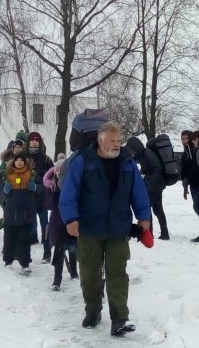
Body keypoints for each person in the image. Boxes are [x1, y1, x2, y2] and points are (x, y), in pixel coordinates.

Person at [59, 121, 152, 337]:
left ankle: (120, 318)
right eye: (112, 141)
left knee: (117, 273)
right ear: (101, 141)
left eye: (119, 140)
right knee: (90, 274)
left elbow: (138, 191)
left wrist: (144, 217)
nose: (117, 144)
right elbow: (69, 192)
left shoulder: (127, 162)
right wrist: (70, 218)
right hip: (89, 228)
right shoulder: (83, 161)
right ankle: (92, 310)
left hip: (118, 227)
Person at [43, 153, 78, 291]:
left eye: (62, 170)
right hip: (57, 223)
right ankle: (57, 280)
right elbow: (48, 205)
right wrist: (54, 196)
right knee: (59, 251)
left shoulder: (73, 184)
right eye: (57, 170)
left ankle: (74, 271)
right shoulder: (51, 186)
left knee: (73, 249)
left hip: (71, 221)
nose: (59, 172)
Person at [126, 136, 170, 240]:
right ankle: (164, 233)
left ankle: (149, 233)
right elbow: (134, 161)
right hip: (157, 184)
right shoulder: (141, 155)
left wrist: (149, 182)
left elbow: (157, 168)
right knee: (158, 209)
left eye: (131, 149)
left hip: (154, 185)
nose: (131, 152)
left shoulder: (147, 153)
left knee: (147, 208)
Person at [1, 154, 38, 274]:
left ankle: (25, 264)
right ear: (13, 162)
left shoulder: (31, 174)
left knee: (25, 240)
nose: (20, 162)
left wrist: (35, 188)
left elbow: (41, 189)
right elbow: (1, 193)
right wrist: (5, 191)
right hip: (11, 212)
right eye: (17, 160)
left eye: (22, 160)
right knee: (9, 238)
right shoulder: (7, 175)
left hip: (26, 212)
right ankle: (8, 261)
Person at [26, 131, 56, 262]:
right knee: (28, 226)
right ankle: (25, 255)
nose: (34, 142)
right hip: (28, 199)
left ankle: (47, 253)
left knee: (45, 226)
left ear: (39, 143)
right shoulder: (23, 158)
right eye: (32, 140)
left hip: (42, 199)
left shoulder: (46, 159)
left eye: (36, 141)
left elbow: (52, 175)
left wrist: (42, 183)